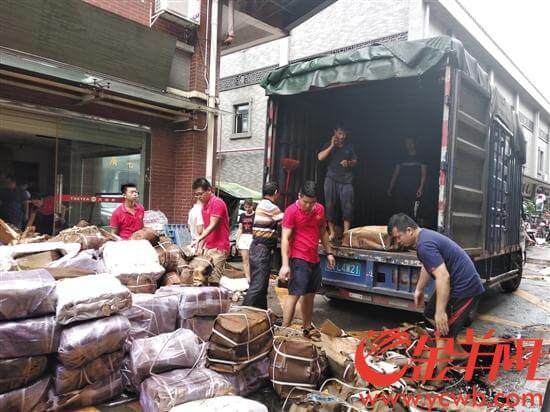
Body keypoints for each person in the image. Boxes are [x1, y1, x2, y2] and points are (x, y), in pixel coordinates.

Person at [387, 213, 485, 376]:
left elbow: (443, 276)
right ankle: (460, 355)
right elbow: (428, 266)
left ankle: (438, 379)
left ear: (409, 230)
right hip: (454, 285)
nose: (398, 242)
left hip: (465, 288)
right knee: (429, 313)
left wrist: (441, 313)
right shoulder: (423, 239)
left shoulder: (424, 244)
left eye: (398, 237)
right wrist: (419, 289)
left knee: (441, 333)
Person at [279, 181, 336, 337]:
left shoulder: (319, 209)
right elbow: (285, 238)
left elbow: (323, 232)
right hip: (298, 258)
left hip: (314, 258)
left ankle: (306, 327)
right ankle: (285, 330)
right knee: (295, 294)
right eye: (306, 202)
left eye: (312, 202)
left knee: (310, 295)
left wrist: (329, 252)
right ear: (299, 196)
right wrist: (285, 265)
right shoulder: (291, 211)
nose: (309, 206)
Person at [243, 182, 284, 309]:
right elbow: (287, 219)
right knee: (258, 285)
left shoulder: (261, 204)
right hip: (261, 250)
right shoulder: (271, 207)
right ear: (276, 193)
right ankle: (241, 314)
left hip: (258, 248)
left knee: (262, 286)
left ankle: (262, 313)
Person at [317, 124, 357, 241]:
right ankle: (332, 233)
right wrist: (332, 145)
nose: (342, 136)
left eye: (344, 134)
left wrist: (348, 163)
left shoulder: (350, 146)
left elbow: (356, 162)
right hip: (331, 179)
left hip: (346, 180)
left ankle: (345, 233)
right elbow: (320, 157)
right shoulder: (328, 145)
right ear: (335, 132)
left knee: (347, 206)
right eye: (340, 133)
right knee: (329, 205)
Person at [191, 178, 230, 286]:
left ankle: (216, 301)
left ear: (209, 190)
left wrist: (198, 238)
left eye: (200, 194)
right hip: (209, 248)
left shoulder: (217, 203)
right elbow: (206, 227)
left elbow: (212, 225)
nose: (198, 197)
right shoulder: (204, 206)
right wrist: (200, 245)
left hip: (219, 248)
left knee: (214, 280)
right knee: (203, 278)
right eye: (196, 195)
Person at [387, 138, 427, 219]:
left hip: (414, 189)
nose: (409, 145)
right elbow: (396, 173)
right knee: (400, 211)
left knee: (413, 212)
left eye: (410, 143)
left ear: (414, 143)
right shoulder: (401, 157)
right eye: (407, 143)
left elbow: (424, 174)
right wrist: (390, 187)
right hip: (401, 189)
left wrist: (421, 188)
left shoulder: (421, 157)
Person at [236, 198, 255, 282]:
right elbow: (240, 228)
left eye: (249, 207)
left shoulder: (256, 215)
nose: (247, 209)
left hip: (252, 237)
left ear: (252, 206)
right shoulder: (242, 216)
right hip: (244, 237)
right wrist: (237, 240)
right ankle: (248, 278)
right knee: (245, 259)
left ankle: (253, 276)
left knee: (253, 259)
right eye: (245, 207)